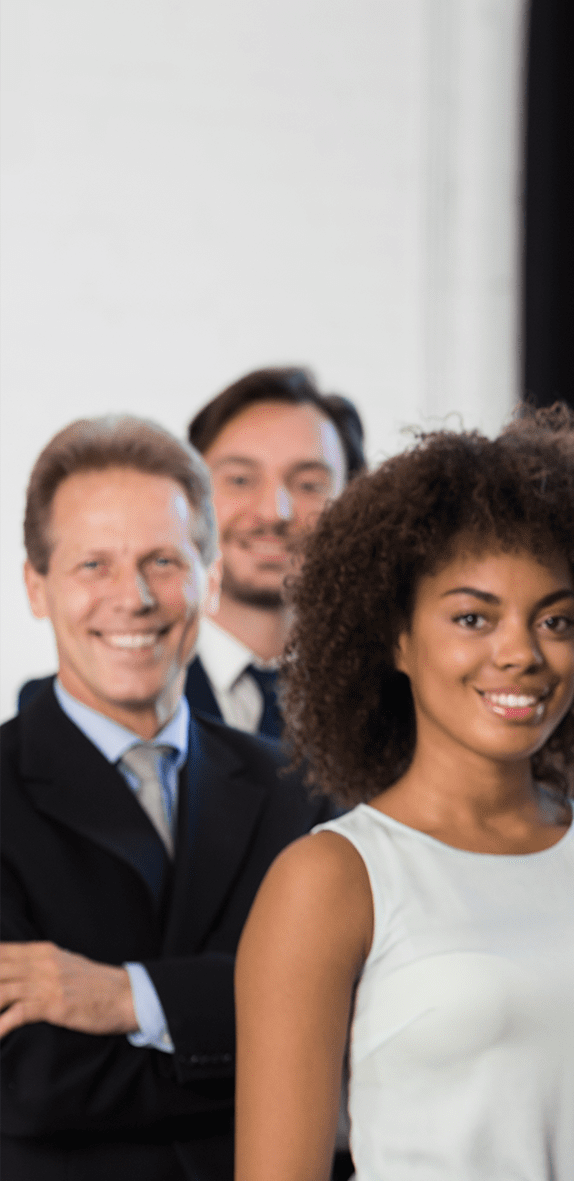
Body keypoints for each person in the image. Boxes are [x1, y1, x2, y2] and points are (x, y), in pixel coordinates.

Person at [232, 409, 574, 1181]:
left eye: (554, 619)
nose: (520, 653)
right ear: (397, 638)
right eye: (473, 616)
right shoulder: (332, 879)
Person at [1, 416, 330, 1179]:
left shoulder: (303, 788)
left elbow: (351, 1010)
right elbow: (28, 1082)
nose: (135, 597)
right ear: (35, 586)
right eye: (93, 565)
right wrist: (263, 1047)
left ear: (209, 579)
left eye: (162, 560)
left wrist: (133, 998)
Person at [185, 366, 365, 740]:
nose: (274, 513)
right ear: (188, 496)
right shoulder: (129, 689)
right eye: (239, 480)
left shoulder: (392, 699)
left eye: (309, 485)